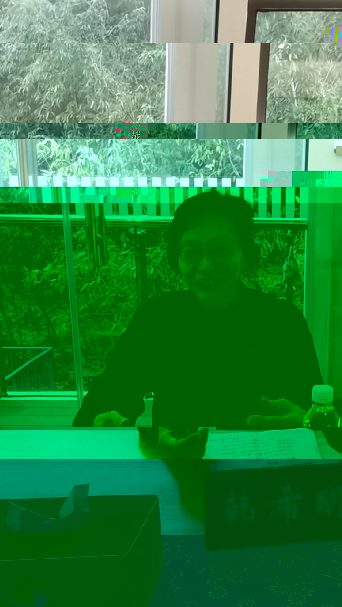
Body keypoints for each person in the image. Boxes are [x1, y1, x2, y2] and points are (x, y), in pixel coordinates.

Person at [72, 189, 324, 457]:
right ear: (177, 259)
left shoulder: (283, 321)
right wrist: (105, 421)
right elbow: (109, 395)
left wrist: (307, 421)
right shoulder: (157, 318)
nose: (205, 265)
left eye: (220, 250)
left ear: (247, 255)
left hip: (261, 463)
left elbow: (317, 409)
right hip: (177, 460)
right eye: (191, 252)